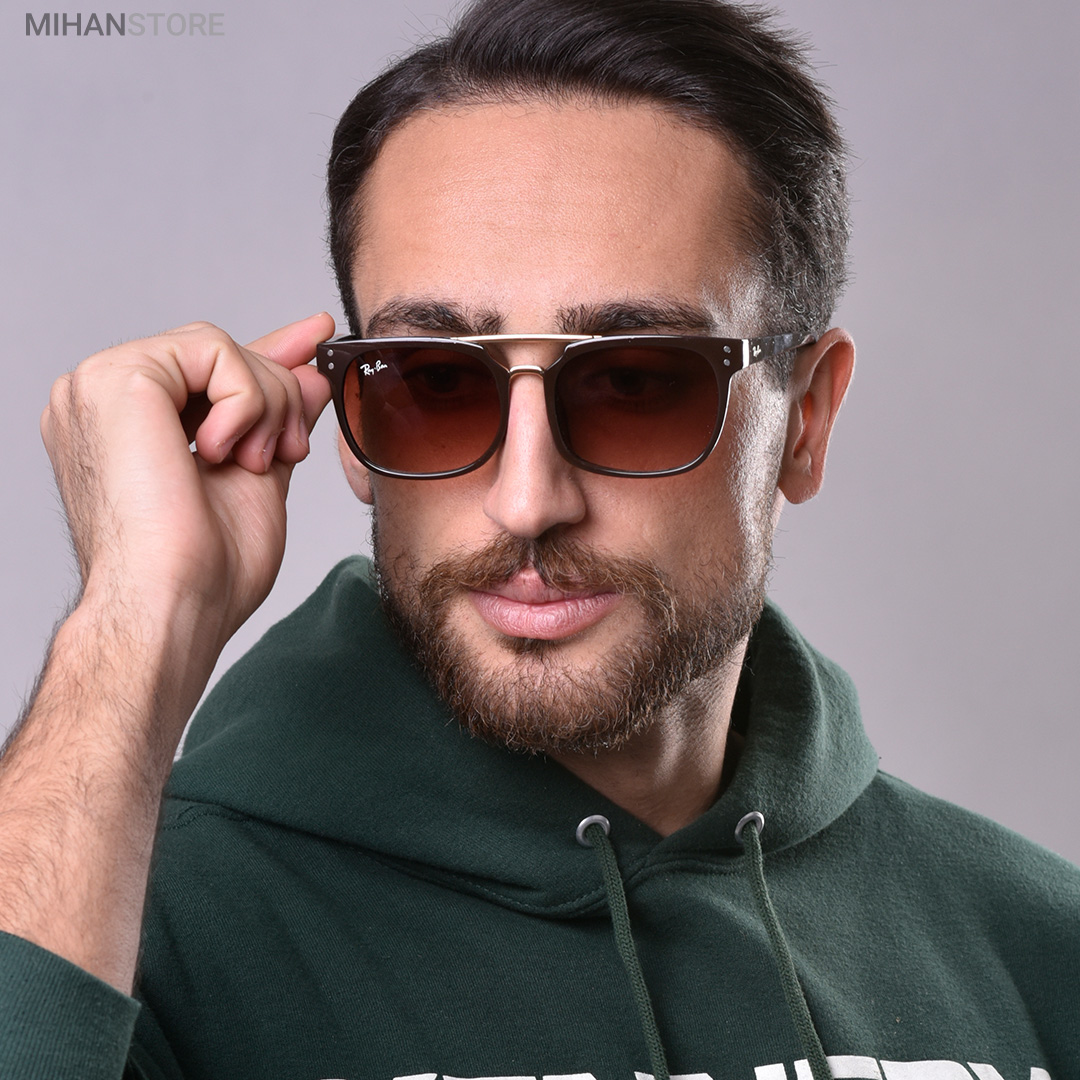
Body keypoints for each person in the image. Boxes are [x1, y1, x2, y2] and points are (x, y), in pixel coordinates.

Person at [0, 0, 1076, 1077]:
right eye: (435, 382)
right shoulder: (117, 941)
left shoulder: (1040, 953)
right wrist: (134, 617)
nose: (526, 499)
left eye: (634, 382)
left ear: (805, 422)